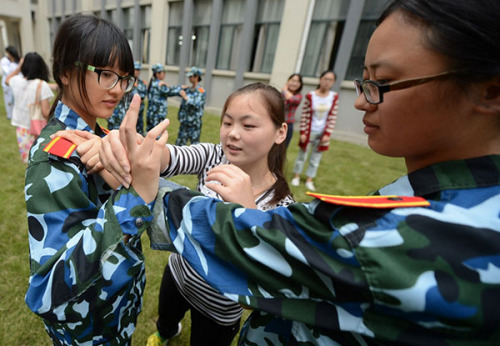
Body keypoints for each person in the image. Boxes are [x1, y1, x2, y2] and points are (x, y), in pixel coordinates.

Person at [99, 0, 500, 344]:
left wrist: (237, 217)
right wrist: (144, 156)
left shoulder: (405, 231)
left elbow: (249, 245)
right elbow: (176, 157)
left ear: (489, 91)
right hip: (185, 277)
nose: (362, 100)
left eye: (384, 82)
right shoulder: (437, 196)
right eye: (228, 122)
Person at [24, 14, 169, 345]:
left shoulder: (100, 134)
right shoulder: (54, 157)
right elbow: (47, 290)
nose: (117, 89)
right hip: (89, 330)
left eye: (124, 78)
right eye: (105, 74)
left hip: (115, 315)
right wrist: (135, 198)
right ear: (64, 71)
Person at [141, 82, 293, 346]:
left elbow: (266, 282)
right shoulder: (214, 157)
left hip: (220, 309)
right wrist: (147, 151)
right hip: (178, 274)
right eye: (228, 122)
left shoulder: (282, 206)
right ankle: (166, 332)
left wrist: (249, 215)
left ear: (280, 132)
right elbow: (172, 157)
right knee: (166, 321)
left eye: (248, 126)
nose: (233, 134)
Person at [290, 70, 339, 191]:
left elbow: (333, 116)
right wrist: (303, 132)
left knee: (315, 158)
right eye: (325, 79)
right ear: (320, 79)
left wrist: (327, 133)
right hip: (309, 131)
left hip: (322, 133)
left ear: (333, 82)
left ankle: (309, 179)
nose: (327, 82)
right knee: (302, 155)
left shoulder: (334, 97)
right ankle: (296, 176)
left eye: (330, 80)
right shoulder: (311, 96)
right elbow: (304, 115)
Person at [5, 52, 54, 163]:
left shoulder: (16, 81)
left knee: (29, 162)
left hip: (22, 129)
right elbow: (45, 112)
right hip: (39, 129)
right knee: (42, 162)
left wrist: (19, 66)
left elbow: (7, 80)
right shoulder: (42, 85)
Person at [107, 61, 147, 135]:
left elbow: (143, 96)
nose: (137, 72)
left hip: (138, 112)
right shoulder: (125, 81)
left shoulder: (142, 83)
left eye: (139, 70)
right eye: (136, 69)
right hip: (123, 111)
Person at [174, 66, 207, 146]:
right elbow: (175, 91)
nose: (189, 78)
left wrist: (186, 97)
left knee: (195, 146)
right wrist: (181, 87)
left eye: (191, 76)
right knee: (179, 145)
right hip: (185, 122)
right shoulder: (188, 89)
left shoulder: (201, 91)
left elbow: (197, 104)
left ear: (196, 77)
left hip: (194, 123)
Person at [146, 63, 177, 132]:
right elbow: (172, 92)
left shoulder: (152, 83)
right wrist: (181, 89)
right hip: (158, 114)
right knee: (157, 135)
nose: (164, 74)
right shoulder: (160, 85)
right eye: (163, 72)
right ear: (157, 74)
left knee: (149, 132)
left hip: (151, 113)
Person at [281, 73, 303, 148]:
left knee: (282, 149)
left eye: (297, 81)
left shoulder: (298, 96)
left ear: (300, 84)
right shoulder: (281, 94)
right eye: (293, 80)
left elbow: (291, 99)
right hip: (277, 123)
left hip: (288, 126)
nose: (294, 83)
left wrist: (284, 89)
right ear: (288, 81)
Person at [1, 45, 21, 119]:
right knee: (10, 100)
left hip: (12, 84)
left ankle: (11, 115)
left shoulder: (14, 65)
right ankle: (11, 114)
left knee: (12, 100)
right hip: (9, 85)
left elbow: (8, 73)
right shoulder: (9, 62)